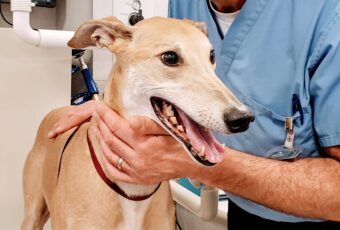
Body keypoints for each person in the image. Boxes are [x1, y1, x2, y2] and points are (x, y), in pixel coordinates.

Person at [48, 0, 340, 228]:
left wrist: (196, 166)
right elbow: (164, 85)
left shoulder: (326, 16)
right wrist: (111, 105)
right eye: (171, 58)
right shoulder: (185, 7)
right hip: (245, 204)